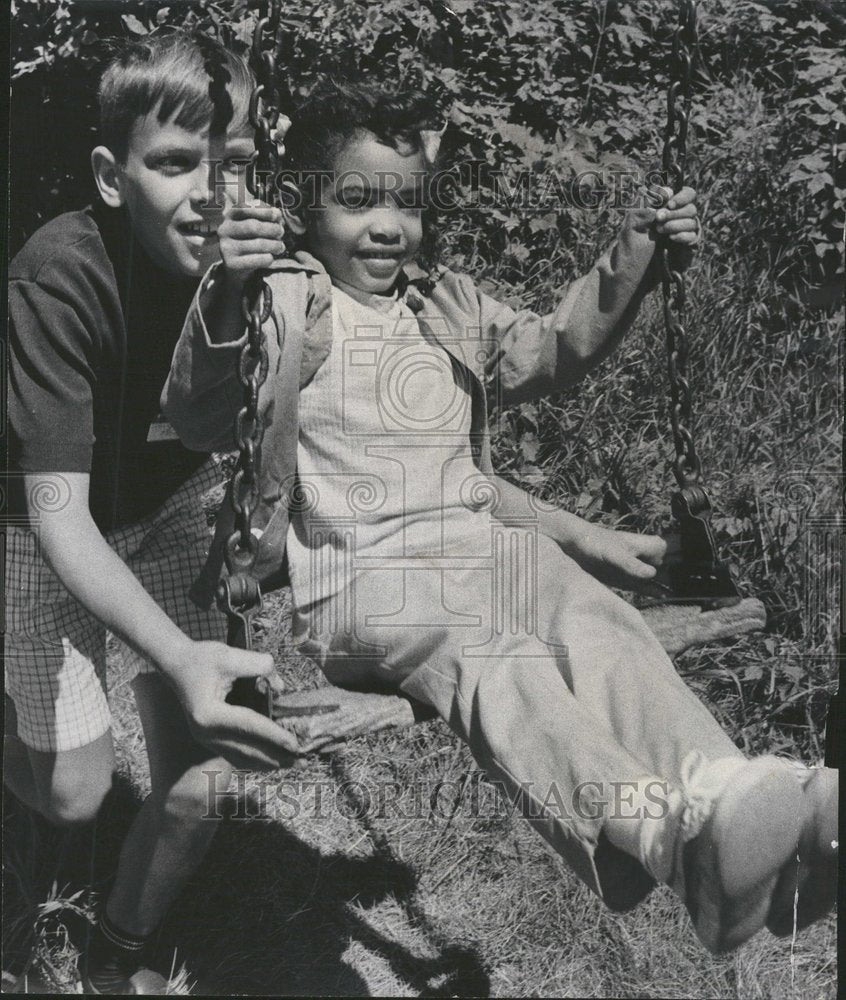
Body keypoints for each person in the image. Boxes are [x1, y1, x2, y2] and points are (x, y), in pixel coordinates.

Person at [162, 79, 837, 955]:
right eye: (358, 200)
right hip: (364, 584)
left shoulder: (446, 310)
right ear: (306, 211)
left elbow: (558, 347)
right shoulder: (288, 304)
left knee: (592, 614)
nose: (386, 226)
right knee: (496, 653)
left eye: (406, 202)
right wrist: (227, 288)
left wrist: (638, 248)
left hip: (477, 550)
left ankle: (732, 805)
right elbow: (199, 412)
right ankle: (663, 837)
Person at [4, 31, 297, 994]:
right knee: (74, 794)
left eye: (236, 164)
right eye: (175, 163)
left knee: (211, 771)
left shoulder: (265, 270)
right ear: (112, 174)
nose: (214, 193)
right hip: (45, 522)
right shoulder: (59, 276)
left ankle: (118, 951)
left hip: (175, 502)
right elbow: (59, 518)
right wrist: (180, 654)